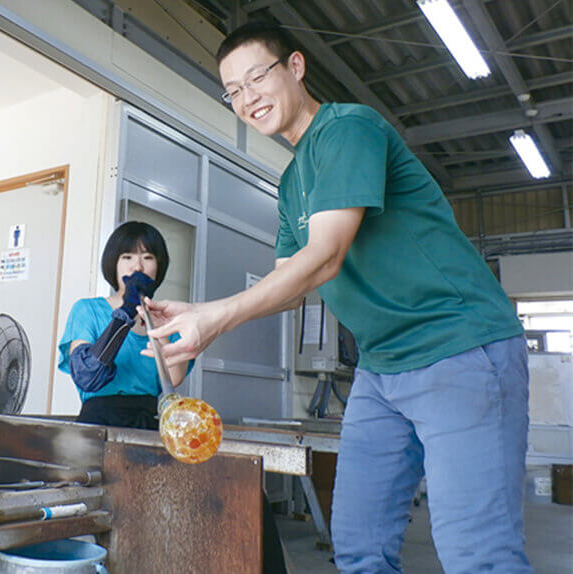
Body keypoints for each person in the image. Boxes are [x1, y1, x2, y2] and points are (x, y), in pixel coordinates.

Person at [146, 22, 530, 574]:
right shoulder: (290, 182)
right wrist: (202, 321)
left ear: (296, 67)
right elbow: (288, 285)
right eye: (233, 90)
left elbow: (325, 256)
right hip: (381, 367)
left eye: (257, 77)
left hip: (457, 347)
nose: (247, 97)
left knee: (478, 555)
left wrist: (215, 318)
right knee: (357, 548)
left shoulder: (348, 129)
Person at [57, 221, 192, 429]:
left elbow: (174, 378)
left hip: (146, 426)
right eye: (126, 257)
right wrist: (127, 311)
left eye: (148, 258)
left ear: (159, 266)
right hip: (96, 426)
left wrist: (158, 327)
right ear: (114, 263)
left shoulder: (171, 318)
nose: (137, 267)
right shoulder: (87, 310)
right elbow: (87, 375)